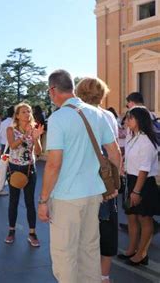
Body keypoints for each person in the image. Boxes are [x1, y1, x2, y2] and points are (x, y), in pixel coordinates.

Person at [38, 70, 121, 283]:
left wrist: (43, 200)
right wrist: (114, 186)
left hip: (66, 197)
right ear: (72, 88)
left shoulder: (57, 118)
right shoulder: (98, 114)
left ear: (53, 90)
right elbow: (115, 153)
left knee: (65, 255)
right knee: (90, 252)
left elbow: (54, 164)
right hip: (94, 194)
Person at [76, 78, 119, 283]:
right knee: (107, 230)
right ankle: (103, 276)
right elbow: (114, 152)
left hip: (79, 184)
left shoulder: (74, 115)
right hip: (103, 183)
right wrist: (115, 183)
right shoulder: (108, 116)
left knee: (83, 233)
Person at [118, 107, 159, 266]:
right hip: (130, 179)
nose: (127, 121)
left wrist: (136, 191)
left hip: (143, 183)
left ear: (140, 120)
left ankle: (142, 254)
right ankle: (131, 250)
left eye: (130, 118)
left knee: (144, 219)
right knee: (131, 217)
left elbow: (144, 168)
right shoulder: (131, 136)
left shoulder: (147, 141)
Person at [4, 103, 43, 247]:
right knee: (13, 201)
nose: (27, 114)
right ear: (17, 115)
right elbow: (13, 145)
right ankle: (11, 230)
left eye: (29, 111)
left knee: (29, 202)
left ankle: (32, 233)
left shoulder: (33, 129)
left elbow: (38, 152)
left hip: (29, 169)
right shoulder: (11, 129)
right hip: (14, 168)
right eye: (24, 112)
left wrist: (36, 138)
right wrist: (25, 135)